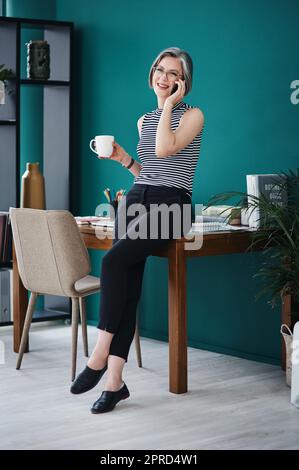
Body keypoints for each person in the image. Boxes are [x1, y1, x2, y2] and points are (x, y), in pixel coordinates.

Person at [71, 46, 204, 414]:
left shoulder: (192, 115)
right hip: (138, 198)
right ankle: (114, 382)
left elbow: (165, 151)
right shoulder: (144, 120)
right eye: (160, 69)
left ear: (184, 82)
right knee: (127, 285)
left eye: (173, 73)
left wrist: (166, 108)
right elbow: (148, 171)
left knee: (113, 263)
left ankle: (98, 355)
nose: (163, 77)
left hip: (173, 206)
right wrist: (124, 159)